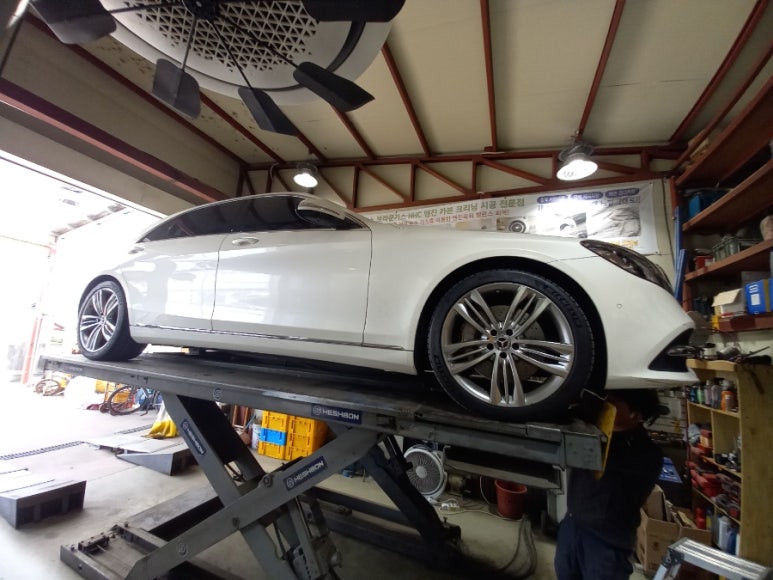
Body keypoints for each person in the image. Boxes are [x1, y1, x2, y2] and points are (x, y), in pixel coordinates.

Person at [554, 388, 664, 580]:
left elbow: (607, 460)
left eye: (612, 401)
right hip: (573, 527)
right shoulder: (593, 434)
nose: (604, 404)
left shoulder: (646, 453)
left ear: (634, 412)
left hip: (606, 542)